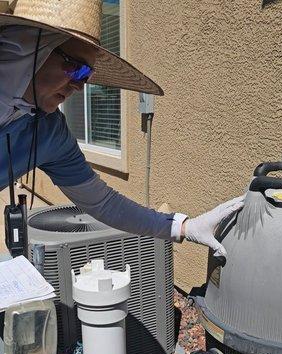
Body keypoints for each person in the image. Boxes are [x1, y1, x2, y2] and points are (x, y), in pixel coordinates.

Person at [0, 0, 244, 257]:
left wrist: (182, 226)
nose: (79, 87)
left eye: (87, 76)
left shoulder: (50, 133)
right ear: (26, 49)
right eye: (77, 68)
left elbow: (103, 202)